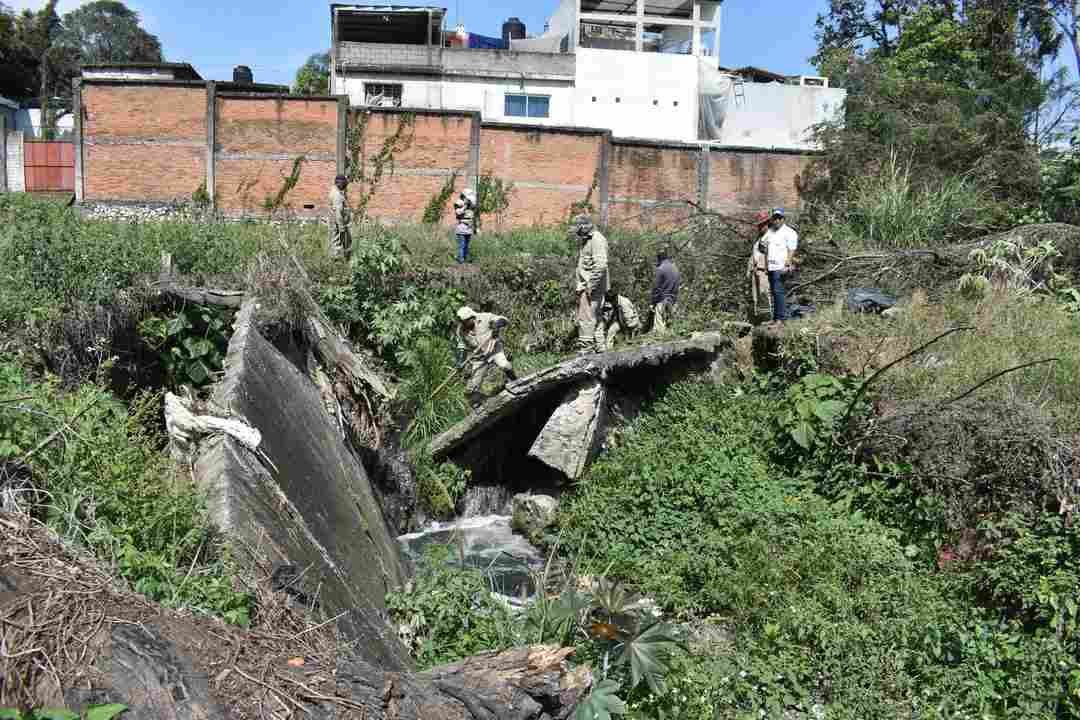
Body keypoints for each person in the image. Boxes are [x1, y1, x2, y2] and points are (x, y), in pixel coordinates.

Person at [455, 305, 517, 408]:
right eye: (462, 322)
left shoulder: (485, 317)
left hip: (494, 349)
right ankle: (484, 404)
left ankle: (516, 382)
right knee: (472, 388)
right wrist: (460, 362)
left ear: (472, 318)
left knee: (505, 365)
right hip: (479, 357)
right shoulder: (461, 330)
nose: (463, 324)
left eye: (465, 321)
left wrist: (497, 325)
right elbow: (462, 347)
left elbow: (504, 320)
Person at [573, 214, 609, 354]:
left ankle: (586, 350)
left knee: (586, 319)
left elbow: (601, 265)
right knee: (596, 319)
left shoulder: (597, 240)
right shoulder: (588, 240)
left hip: (591, 289)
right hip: (592, 288)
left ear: (583, 226)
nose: (576, 231)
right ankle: (600, 350)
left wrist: (590, 286)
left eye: (577, 227)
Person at [761, 208, 799, 322]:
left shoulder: (789, 232)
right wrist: (766, 266)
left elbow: (792, 249)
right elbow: (765, 248)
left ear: (783, 219)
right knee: (774, 292)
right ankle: (776, 318)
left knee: (779, 292)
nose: (776, 220)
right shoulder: (770, 232)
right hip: (771, 267)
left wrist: (788, 263)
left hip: (781, 267)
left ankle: (781, 319)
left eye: (779, 218)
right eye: (774, 218)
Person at [747, 210, 773, 324]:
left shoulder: (771, 238)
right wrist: (749, 269)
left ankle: (769, 319)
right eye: (759, 225)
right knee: (756, 298)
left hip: (764, 271)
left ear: (767, 224)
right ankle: (760, 320)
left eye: (762, 225)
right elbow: (754, 256)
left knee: (765, 294)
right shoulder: (758, 241)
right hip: (755, 272)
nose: (760, 227)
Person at [650, 249, 681, 335]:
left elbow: (656, 288)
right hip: (673, 302)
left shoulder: (660, 269)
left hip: (662, 302)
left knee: (659, 332)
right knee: (671, 331)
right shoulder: (675, 268)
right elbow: (678, 285)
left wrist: (653, 302)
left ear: (659, 259)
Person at [328, 174, 352, 261]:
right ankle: (335, 263)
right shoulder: (337, 195)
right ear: (340, 183)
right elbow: (338, 212)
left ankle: (336, 261)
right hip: (338, 225)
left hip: (337, 224)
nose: (346, 185)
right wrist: (342, 228)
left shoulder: (334, 192)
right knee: (336, 244)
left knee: (335, 243)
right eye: (345, 182)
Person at [454, 189, 478, 264]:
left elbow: (473, 217)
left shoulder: (471, 206)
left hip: (469, 228)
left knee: (466, 245)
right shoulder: (460, 204)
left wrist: (475, 228)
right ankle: (461, 260)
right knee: (462, 245)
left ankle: (465, 258)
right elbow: (458, 213)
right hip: (462, 227)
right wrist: (465, 206)